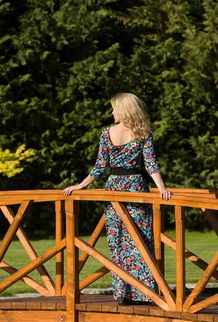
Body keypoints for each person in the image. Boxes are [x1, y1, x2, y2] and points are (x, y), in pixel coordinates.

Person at [63, 92, 171, 305]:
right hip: (136, 189)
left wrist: (81, 185)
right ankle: (144, 293)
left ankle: (122, 294)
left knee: (118, 240)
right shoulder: (143, 133)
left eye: (114, 108)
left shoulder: (106, 134)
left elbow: (100, 167)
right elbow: (151, 164)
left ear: (123, 110)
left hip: (113, 188)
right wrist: (161, 188)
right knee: (141, 239)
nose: (112, 112)